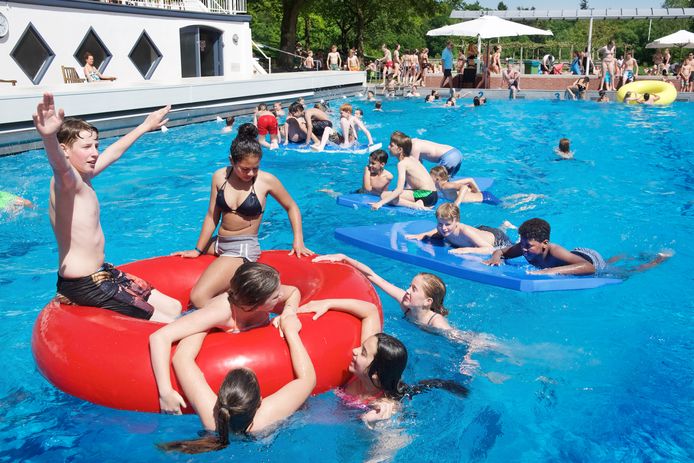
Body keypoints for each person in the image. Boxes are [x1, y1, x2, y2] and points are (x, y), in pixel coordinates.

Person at [32, 93, 181, 322]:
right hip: (83, 284)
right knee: (169, 322)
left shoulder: (84, 176)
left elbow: (114, 153)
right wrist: (48, 137)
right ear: (64, 150)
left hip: (102, 272)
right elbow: (59, 166)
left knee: (174, 307)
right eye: (86, 147)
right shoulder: (67, 182)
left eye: (96, 145)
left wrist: (145, 126)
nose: (95, 152)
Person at [173, 127, 311, 308]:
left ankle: (245, 314)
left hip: (242, 247)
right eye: (245, 169)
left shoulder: (266, 181)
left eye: (256, 168)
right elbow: (212, 216)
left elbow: (291, 206)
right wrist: (198, 250)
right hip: (218, 243)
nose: (251, 173)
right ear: (232, 160)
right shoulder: (219, 177)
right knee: (180, 263)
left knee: (199, 297)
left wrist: (298, 240)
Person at [150, 261, 301, 415]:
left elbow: (293, 292)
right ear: (252, 305)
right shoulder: (220, 313)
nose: (281, 295)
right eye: (275, 297)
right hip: (203, 323)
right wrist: (165, 392)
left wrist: (289, 312)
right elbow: (159, 337)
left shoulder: (267, 292)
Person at [158, 309, 315, 453]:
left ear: (219, 397)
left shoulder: (211, 418)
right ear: (260, 402)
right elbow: (307, 379)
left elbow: (181, 359)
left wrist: (205, 321)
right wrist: (291, 331)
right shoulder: (265, 417)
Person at [311, 254, 499, 373]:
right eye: (410, 286)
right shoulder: (407, 305)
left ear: (428, 302)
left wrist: (467, 358)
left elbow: (463, 341)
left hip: (475, 340)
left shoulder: (437, 323)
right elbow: (374, 277)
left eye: (414, 289)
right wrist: (344, 258)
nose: (407, 291)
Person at [483, 218, 670, 276]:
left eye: (529, 246)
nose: (523, 249)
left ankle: (657, 260)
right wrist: (495, 258)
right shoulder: (525, 246)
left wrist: (549, 271)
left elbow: (589, 268)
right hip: (575, 255)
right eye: (522, 244)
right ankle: (624, 255)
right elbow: (501, 251)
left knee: (623, 273)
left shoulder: (554, 250)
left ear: (544, 243)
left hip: (590, 259)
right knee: (610, 262)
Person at [406, 203, 512, 255]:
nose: (443, 228)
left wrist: (466, 250)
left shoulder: (464, 231)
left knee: (504, 236)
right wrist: (422, 235)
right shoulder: (443, 228)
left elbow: (490, 249)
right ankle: (504, 225)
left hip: (496, 238)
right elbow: (436, 231)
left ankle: (505, 226)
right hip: (480, 230)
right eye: (440, 224)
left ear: (457, 222)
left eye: (447, 224)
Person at [371, 131, 438, 211]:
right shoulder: (412, 159)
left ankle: (415, 205)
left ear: (400, 149)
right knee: (389, 194)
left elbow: (399, 189)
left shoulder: (402, 164)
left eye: (391, 145)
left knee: (384, 195)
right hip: (433, 196)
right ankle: (418, 203)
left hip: (425, 195)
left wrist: (380, 203)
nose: (388, 147)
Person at [429, 166, 499, 206]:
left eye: (430, 177)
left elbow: (464, 187)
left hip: (486, 199)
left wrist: (457, 203)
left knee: (503, 206)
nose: (428, 178)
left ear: (437, 179)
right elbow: (470, 180)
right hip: (483, 195)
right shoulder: (445, 186)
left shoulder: (446, 186)